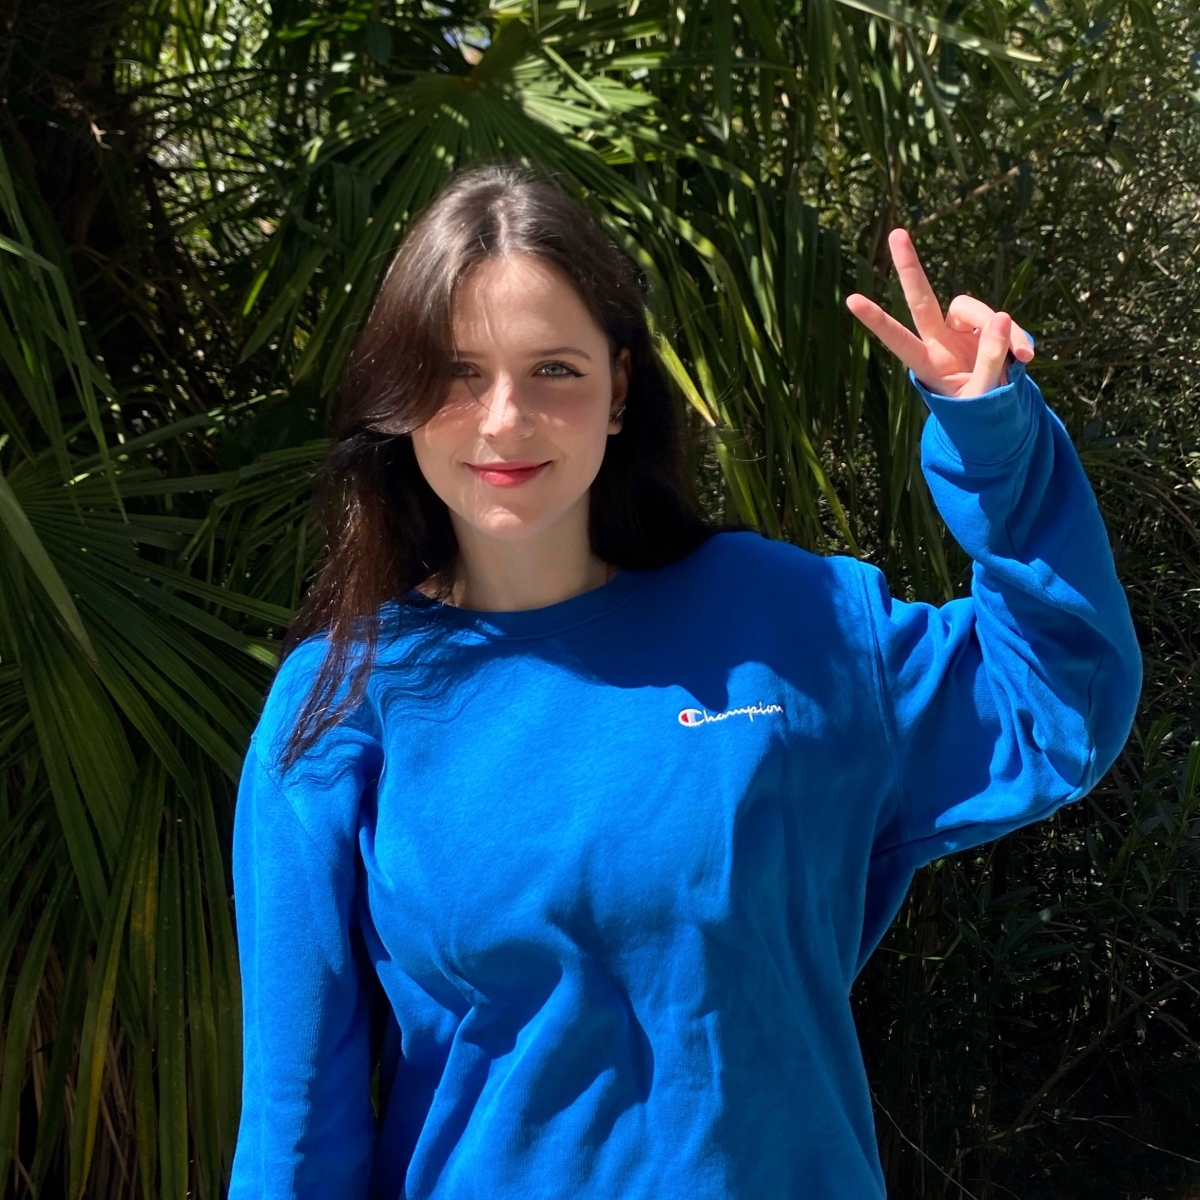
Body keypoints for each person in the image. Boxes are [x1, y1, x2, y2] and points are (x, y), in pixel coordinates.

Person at [227, 161, 1142, 1199]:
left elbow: (1057, 708)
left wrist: (998, 448)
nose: (503, 418)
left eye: (554, 370)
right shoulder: (339, 701)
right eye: (458, 372)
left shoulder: (791, 625)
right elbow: (298, 1123)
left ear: (620, 389)